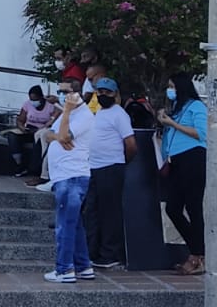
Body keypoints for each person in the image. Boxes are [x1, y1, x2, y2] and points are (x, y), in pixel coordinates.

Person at [43, 80, 97, 283]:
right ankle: (84, 266)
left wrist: (66, 112)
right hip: (63, 176)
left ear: (78, 94)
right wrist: (58, 137)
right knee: (74, 225)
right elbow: (49, 135)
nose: (64, 95)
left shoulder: (83, 116)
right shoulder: (70, 115)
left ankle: (64, 269)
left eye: (67, 92)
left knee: (65, 224)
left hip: (72, 176)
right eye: (61, 91)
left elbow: (65, 134)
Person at [156, 72, 208, 275]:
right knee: (173, 208)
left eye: (172, 86)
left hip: (193, 158)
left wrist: (173, 124)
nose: (170, 90)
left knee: (193, 207)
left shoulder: (196, 107)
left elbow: (201, 134)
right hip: (176, 160)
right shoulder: (178, 109)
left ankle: (198, 255)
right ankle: (196, 249)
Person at [84, 77, 137, 269]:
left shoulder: (119, 114)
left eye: (107, 92)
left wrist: (121, 162)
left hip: (111, 167)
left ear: (115, 94)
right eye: (100, 92)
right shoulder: (98, 113)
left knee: (109, 212)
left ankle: (110, 253)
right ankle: (93, 251)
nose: (102, 95)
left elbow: (131, 145)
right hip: (94, 168)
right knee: (93, 211)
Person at [10, 85, 61, 182]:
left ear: (41, 98)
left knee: (39, 137)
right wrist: (22, 127)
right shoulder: (27, 104)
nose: (33, 102)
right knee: (12, 136)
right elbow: (20, 120)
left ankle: (35, 168)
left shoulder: (50, 106)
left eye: (35, 99)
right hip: (29, 129)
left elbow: (53, 121)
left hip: (41, 130)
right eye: (31, 99)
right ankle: (19, 164)